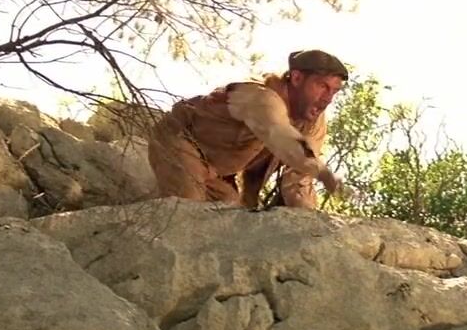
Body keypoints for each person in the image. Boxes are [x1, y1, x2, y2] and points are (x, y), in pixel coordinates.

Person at [146, 49, 352, 210]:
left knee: (230, 219)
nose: (328, 98)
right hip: (180, 141)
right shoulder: (261, 96)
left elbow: (300, 178)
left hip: (216, 171)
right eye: (322, 86)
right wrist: (326, 176)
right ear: (297, 78)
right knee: (189, 213)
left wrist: (311, 228)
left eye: (334, 91)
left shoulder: (312, 121)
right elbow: (282, 137)